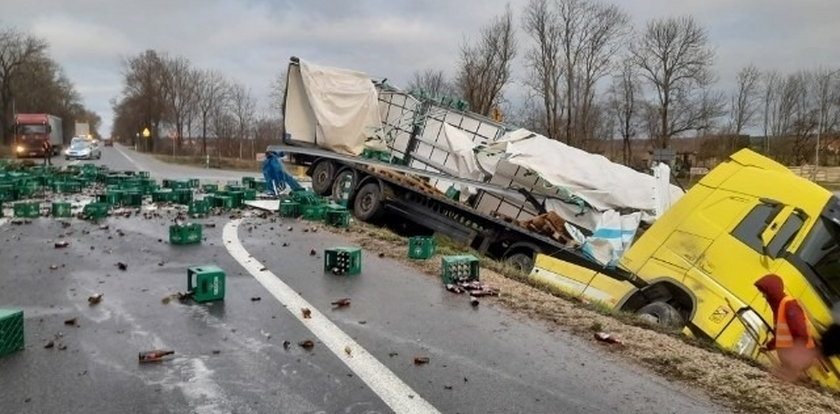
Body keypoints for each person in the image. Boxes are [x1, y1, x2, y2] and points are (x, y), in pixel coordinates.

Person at [754, 273, 817, 380]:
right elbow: (782, 335)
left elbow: (801, 334)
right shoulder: (780, 306)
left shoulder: (789, 305)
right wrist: (768, 346)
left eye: (764, 292)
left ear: (772, 291)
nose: (763, 296)